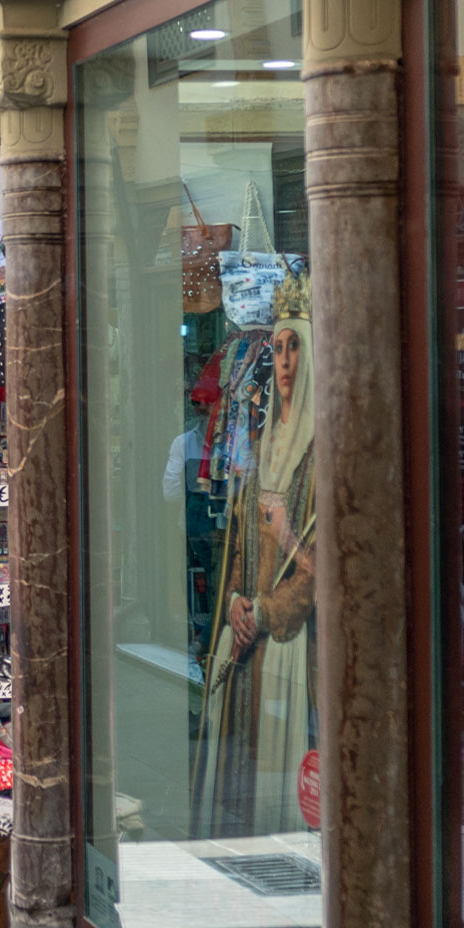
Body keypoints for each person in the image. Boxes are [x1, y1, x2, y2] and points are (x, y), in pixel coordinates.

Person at [193, 275, 316, 839]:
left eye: (296, 347)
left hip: (290, 647)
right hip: (245, 638)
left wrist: (265, 612)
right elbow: (241, 542)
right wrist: (237, 608)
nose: (285, 360)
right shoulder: (263, 447)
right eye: (281, 346)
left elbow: (319, 564)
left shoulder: (320, 458)